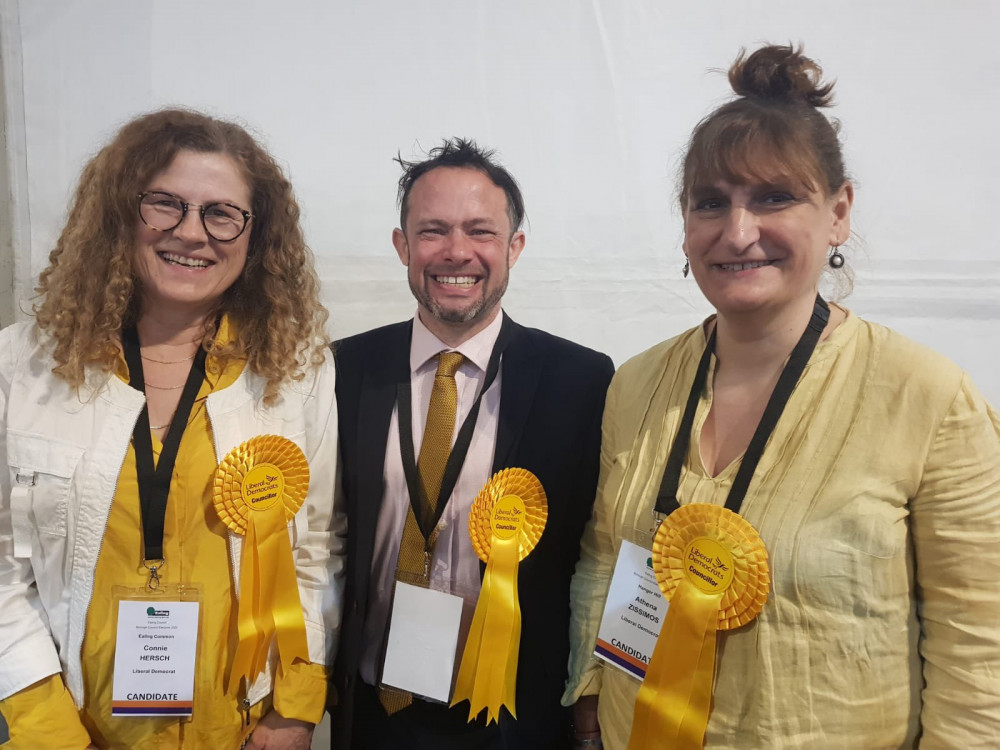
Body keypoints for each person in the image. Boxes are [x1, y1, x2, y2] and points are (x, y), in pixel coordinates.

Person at [564, 44, 1000, 749]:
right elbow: (604, 558)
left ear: (838, 213)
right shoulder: (638, 385)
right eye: (712, 203)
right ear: (685, 222)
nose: (739, 232)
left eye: (774, 197)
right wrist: (590, 692)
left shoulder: (928, 399)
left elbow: (981, 657)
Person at [0, 109, 344, 749]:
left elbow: (317, 546)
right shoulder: (22, 368)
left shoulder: (296, 373)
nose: (192, 233)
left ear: (255, 234)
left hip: (239, 728)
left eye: (221, 213)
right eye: (165, 204)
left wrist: (294, 708)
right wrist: (43, 725)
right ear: (119, 216)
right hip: (77, 728)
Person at [331, 139, 615, 750]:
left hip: (513, 715)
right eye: (432, 231)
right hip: (371, 710)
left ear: (513, 247)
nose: (457, 251)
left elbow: (597, 551)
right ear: (402, 246)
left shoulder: (583, 381)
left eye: (480, 231)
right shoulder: (341, 370)